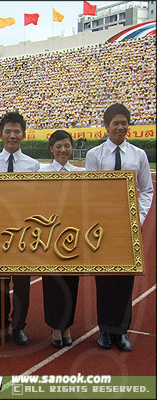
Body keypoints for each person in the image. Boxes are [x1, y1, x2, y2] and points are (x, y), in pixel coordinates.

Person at [85, 103, 153, 352]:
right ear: (107, 126)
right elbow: (90, 191)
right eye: (116, 123)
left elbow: (146, 189)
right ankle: (105, 330)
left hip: (129, 227)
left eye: (124, 123)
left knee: (125, 280)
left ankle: (121, 331)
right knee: (104, 279)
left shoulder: (138, 155)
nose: (121, 127)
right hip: (103, 228)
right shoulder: (95, 155)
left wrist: (139, 217)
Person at [0, 111, 40, 346]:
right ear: (1, 134)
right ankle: (1, 325)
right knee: (0, 284)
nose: (13, 135)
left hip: (24, 233)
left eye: (17, 131)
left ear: (24, 135)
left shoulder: (33, 165)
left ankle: (19, 327)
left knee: (23, 286)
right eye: (8, 131)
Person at [40, 130, 84, 348]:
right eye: (58, 146)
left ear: (72, 147)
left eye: (67, 146)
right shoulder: (42, 173)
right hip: (49, 238)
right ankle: (56, 328)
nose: (63, 150)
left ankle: (67, 325)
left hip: (73, 237)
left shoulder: (81, 173)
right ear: (51, 149)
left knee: (71, 282)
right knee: (52, 284)